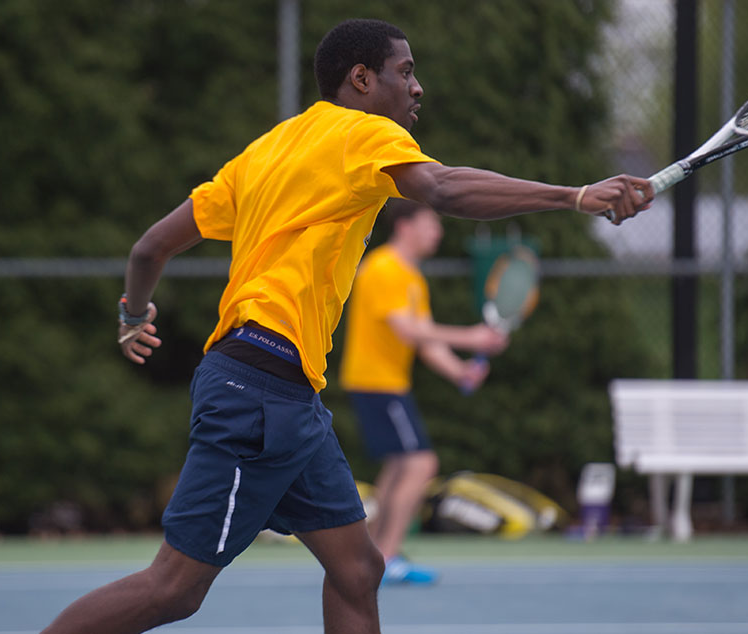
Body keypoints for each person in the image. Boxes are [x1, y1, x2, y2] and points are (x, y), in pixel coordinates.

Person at [41, 17, 652, 634]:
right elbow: (441, 187)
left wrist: (133, 313)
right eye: (405, 72)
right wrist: (572, 196)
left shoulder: (264, 152)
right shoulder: (361, 133)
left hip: (283, 395)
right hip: (255, 391)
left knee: (358, 569)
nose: (417, 88)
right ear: (361, 79)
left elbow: (150, 248)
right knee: (173, 590)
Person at [340, 199, 507, 585]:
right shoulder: (383, 268)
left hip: (388, 384)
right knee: (420, 464)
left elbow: (426, 340)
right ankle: (387, 555)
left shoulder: (412, 278)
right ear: (405, 227)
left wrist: (459, 371)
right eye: (431, 224)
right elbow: (407, 330)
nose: (439, 232)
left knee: (400, 466)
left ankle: (370, 555)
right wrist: (471, 336)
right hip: (375, 383)